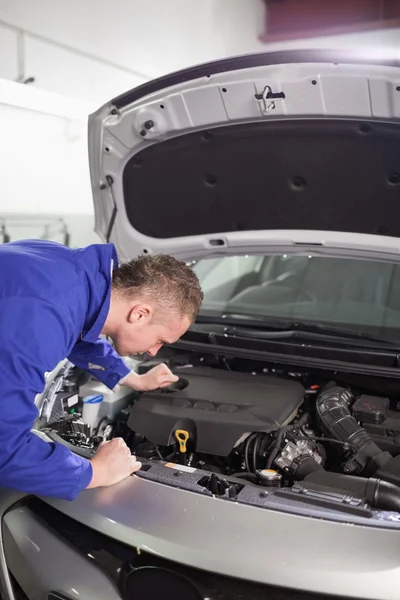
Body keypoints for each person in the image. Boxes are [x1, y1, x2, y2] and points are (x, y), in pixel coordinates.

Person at [0, 239, 203, 500]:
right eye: (161, 340)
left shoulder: (70, 274)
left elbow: (82, 326)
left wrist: (131, 379)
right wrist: (94, 472)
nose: (154, 352)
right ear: (140, 314)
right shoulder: (43, 316)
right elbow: (5, 448)